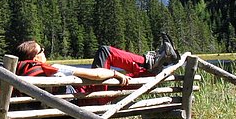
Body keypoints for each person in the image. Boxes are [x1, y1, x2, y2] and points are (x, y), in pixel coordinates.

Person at [13, 33, 180, 89]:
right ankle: (149, 63)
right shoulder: (51, 69)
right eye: (42, 50)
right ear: (35, 58)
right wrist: (115, 73)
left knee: (123, 71)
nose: (45, 52)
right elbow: (93, 74)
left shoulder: (23, 76)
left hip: (78, 100)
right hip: (89, 96)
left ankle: (151, 67)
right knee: (105, 51)